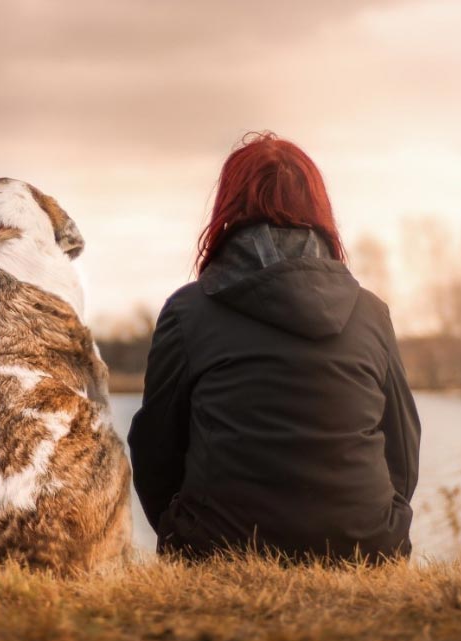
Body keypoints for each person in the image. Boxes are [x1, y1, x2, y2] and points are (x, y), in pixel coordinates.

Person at [127, 132, 420, 562]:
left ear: (228, 209)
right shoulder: (371, 313)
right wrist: (380, 523)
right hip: (366, 548)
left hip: (217, 548)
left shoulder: (188, 312)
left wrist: (181, 530)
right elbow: (404, 449)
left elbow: (155, 450)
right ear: (319, 210)